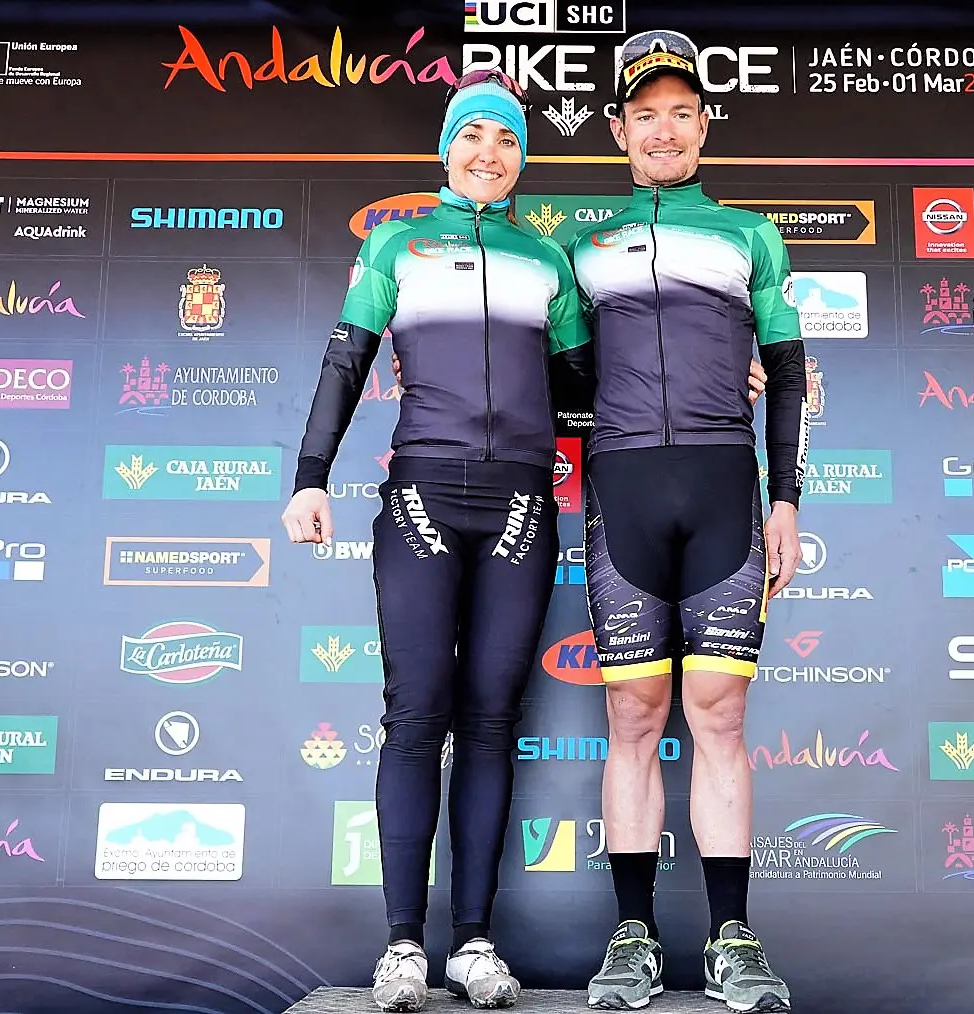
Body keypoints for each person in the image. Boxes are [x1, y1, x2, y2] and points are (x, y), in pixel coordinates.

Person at [282, 68, 586, 1012]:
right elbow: (346, 362)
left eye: (506, 138)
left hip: (521, 502)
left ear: (521, 158)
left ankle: (475, 943)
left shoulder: (547, 260)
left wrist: (723, 372)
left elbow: (588, 386)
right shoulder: (396, 242)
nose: (488, 153)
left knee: (491, 719)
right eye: (472, 136)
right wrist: (309, 476)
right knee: (416, 715)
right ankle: (403, 945)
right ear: (446, 149)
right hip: (421, 496)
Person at [572, 29, 807, 1014]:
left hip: (722, 490)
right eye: (644, 115)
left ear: (704, 124)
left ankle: (730, 940)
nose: (662, 130)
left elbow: (787, 371)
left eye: (680, 112)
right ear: (618, 129)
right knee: (633, 715)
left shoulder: (750, 234)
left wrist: (786, 497)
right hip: (622, 489)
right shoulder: (582, 248)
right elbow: (561, 381)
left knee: (718, 714)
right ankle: (632, 938)